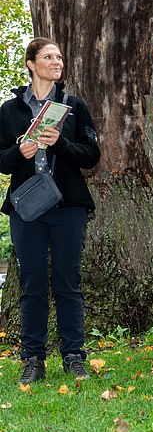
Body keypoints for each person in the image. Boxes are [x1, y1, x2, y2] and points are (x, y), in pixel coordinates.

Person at [0, 37, 101, 384]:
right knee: (31, 285)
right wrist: (19, 153)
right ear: (31, 63)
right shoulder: (8, 111)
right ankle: (33, 359)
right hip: (26, 209)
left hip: (68, 206)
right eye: (48, 56)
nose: (56, 62)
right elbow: (1, 161)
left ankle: (74, 356)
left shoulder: (73, 106)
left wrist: (62, 143)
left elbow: (91, 155)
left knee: (68, 283)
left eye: (59, 57)